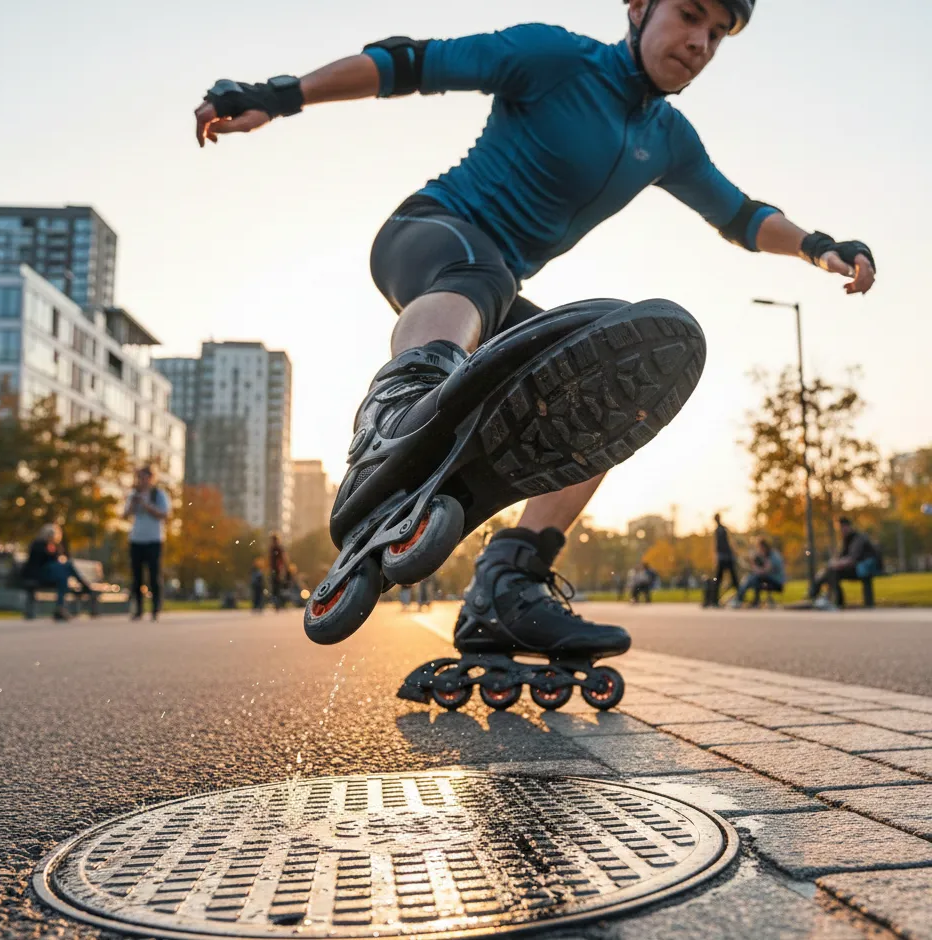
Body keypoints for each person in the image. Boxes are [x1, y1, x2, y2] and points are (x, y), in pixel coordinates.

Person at [194, 0, 875, 657]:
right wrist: (281, 95)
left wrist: (818, 246)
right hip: (430, 237)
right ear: (638, 7)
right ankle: (395, 411)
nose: (701, 42)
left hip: (490, 299)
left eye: (719, 33)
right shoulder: (553, 57)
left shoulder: (667, 139)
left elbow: (742, 215)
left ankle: (506, 584)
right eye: (689, 14)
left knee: (605, 394)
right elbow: (409, 64)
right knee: (486, 278)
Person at [19, 523, 95, 621]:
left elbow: (60, 559)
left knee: (63, 575)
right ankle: (84, 586)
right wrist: (52, 553)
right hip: (38, 576)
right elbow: (39, 562)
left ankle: (60, 608)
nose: (52, 537)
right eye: (50, 534)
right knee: (65, 567)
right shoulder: (37, 545)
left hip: (53, 576)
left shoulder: (56, 546)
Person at [123, 466, 171, 621]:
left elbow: (164, 514)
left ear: (152, 478)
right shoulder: (133, 494)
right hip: (136, 539)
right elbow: (125, 515)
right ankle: (138, 610)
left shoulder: (159, 495)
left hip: (154, 539)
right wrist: (133, 503)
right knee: (136, 576)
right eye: (140, 477)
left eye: (145, 477)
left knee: (154, 575)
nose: (142, 480)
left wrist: (146, 505)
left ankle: (156, 609)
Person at [810, 517, 880, 610]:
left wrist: (836, 564)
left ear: (848, 526)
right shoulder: (846, 540)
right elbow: (840, 557)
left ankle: (822, 598)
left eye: (842, 527)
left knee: (832, 571)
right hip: (856, 569)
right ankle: (817, 596)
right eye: (840, 528)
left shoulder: (858, 538)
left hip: (864, 569)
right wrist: (834, 563)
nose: (841, 530)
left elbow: (852, 559)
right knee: (829, 572)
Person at [731, 537, 785, 608]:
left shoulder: (773, 555)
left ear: (764, 547)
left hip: (777, 581)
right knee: (753, 579)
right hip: (769, 579)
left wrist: (756, 568)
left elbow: (766, 570)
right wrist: (753, 562)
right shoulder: (765, 555)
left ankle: (740, 598)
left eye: (760, 548)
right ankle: (751, 600)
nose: (759, 550)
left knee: (754, 578)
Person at [707, 513, 739, 607]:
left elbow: (718, 545)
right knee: (730, 578)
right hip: (727, 557)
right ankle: (739, 595)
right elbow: (729, 542)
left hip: (724, 558)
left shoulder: (719, 530)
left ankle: (715, 600)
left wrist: (716, 558)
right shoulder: (723, 529)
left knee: (719, 579)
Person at [268, 533, 289, 610]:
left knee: (278, 587)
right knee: (275, 587)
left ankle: (279, 604)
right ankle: (277, 604)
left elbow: (283, 559)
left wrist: (283, 570)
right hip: (274, 570)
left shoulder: (278, 548)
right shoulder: (273, 548)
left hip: (278, 570)